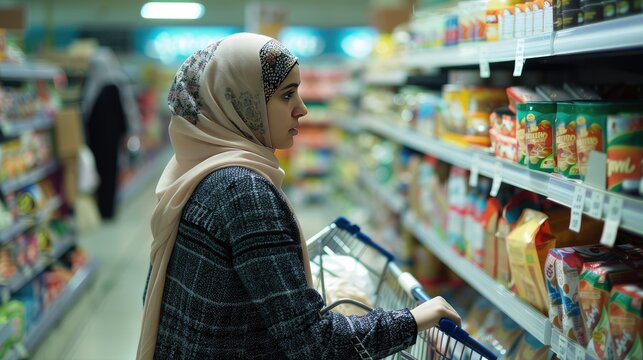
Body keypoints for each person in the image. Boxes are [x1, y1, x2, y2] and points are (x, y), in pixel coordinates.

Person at [137, 32, 461, 359]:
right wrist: (414, 319)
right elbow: (315, 344)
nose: (302, 109)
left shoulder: (198, 171)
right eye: (287, 95)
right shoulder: (243, 191)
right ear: (243, 102)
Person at [81, 47, 141, 220]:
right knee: (104, 173)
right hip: (106, 140)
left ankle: (105, 209)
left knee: (105, 173)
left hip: (103, 140)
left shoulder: (107, 85)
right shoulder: (108, 84)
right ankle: (103, 209)